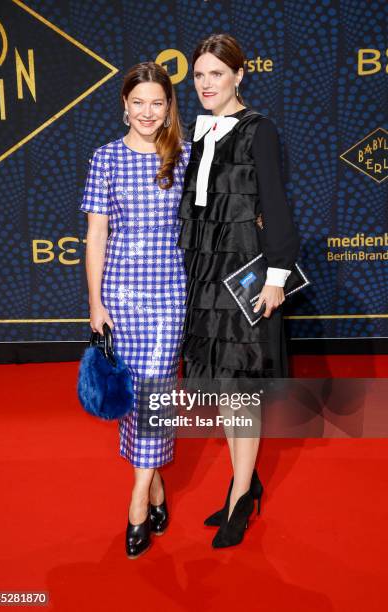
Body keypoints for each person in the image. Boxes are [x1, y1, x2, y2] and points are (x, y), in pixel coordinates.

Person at [178, 34, 300, 548]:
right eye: (199, 75)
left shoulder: (259, 130)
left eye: (216, 74)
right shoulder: (198, 135)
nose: (206, 84)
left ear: (239, 75)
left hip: (243, 274)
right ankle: (243, 484)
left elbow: (274, 201)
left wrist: (277, 275)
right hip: (204, 274)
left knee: (240, 389)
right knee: (226, 391)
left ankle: (241, 494)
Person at [80, 62, 191, 559]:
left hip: (169, 293)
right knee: (136, 395)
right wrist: (94, 301)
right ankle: (158, 487)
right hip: (121, 294)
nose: (148, 112)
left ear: (169, 108)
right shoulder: (104, 158)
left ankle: (136, 506)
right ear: (124, 104)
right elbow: (97, 233)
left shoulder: (184, 156)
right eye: (139, 102)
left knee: (156, 389)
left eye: (158, 103)